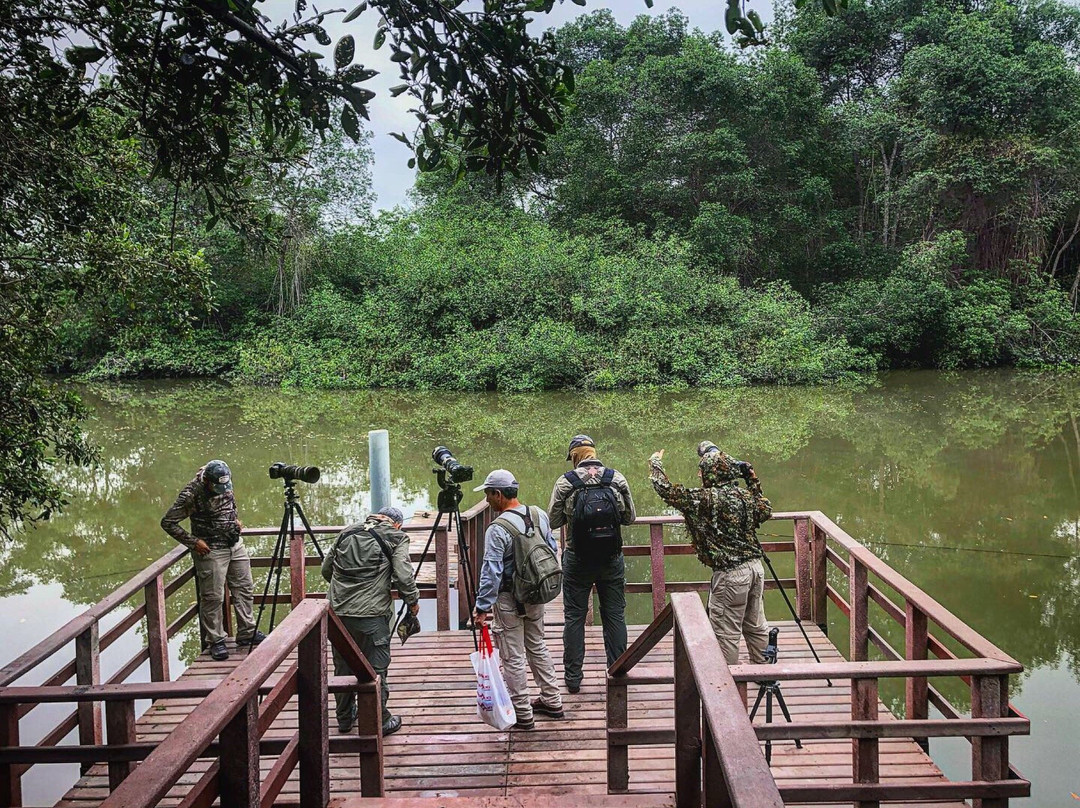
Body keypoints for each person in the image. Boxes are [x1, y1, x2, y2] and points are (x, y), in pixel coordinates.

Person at [648, 443, 772, 665]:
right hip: (755, 569)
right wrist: (751, 478)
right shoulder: (743, 496)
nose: (699, 474)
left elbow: (667, 491)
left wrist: (655, 463)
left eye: (701, 470)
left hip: (732, 575)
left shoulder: (706, 499)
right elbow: (765, 509)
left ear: (710, 473)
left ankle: (725, 689)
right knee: (756, 625)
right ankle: (765, 675)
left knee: (725, 631)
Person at [472, 469, 563, 730]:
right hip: (536, 593)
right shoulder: (538, 515)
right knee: (537, 645)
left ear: (498, 494)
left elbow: (491, 570)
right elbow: (551, 549)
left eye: (488, 495)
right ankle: (552, 699)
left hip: (509, 599)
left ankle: (523, 713)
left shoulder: (497, 528)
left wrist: (482, 607)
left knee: (512, 656)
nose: (487, 500)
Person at [548, 434, 636, 694]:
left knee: (574, 618)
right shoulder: (615, 478)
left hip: (577, 559)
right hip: (611, 558)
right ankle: (618, 672)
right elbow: (629, 517)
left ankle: (573, 679)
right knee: (615, 615)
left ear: (575, 456)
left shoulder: (566, 482)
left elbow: (553, 522)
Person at [321, 506, 419, 736]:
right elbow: (403, 576)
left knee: (343, 666)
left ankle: (344, 718)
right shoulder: (396, 536)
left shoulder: (347, 532)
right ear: (398, 524)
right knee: (376, 669)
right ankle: (380, 721)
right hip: (371, 615)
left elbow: (327, 570)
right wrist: (413, 601)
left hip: (337, 613)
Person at [161, 460, 265, 662]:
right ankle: (216, 640)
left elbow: (228, 504)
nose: (222, 490)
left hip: (235, 544)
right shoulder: (191, 494)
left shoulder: (224, 481)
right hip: (211, 550)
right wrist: (193, 542)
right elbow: (168, 522)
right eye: (217, 487)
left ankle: (247, 633)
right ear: (207, 481)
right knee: (213, 597)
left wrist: (234, 520)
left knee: (245, 589)